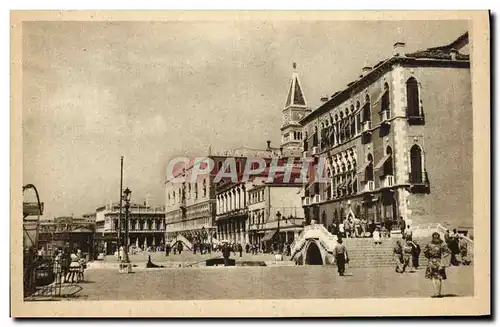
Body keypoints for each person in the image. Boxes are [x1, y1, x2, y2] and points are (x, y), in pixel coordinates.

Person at [424, 232, 451, 298]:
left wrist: (429, 256)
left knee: (433, 277)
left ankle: (436, 293)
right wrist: (444, 259)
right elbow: (448, 252)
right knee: (439, 277)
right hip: (439, 261)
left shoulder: (429, 244)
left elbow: (425, 252)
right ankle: (438, 293)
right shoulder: (442, 244)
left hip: (431, 261)